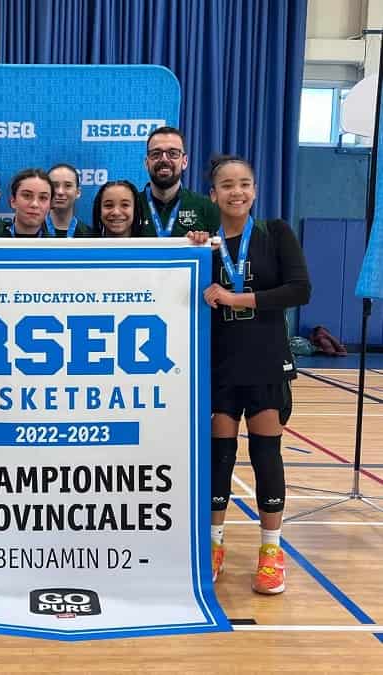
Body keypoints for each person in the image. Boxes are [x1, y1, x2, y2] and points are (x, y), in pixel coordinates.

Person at [202, 155, 310, 595]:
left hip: (265, 360)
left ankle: (271, 550)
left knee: (267, 455)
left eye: (244, 183)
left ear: (254, 189)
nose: (236, 192)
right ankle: (213, 544)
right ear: (213, 195)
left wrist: (237, 298)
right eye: (226, 185)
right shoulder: (205, 244)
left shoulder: (276, 232)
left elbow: (300, 289)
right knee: (219, 457)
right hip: (221, 362)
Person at [140, 126, 219, 236]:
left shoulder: (206, 207)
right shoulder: (133, 206)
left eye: (173, 153)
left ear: (184, 161)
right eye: (156, 154)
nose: (164, 159)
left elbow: (220, 250)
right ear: (146, 163)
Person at [45, 163, 88, 237]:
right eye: (54, 185)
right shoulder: (34, 230)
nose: (60, 192)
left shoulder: (89, 234)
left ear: (78, 192)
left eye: (68, 185)